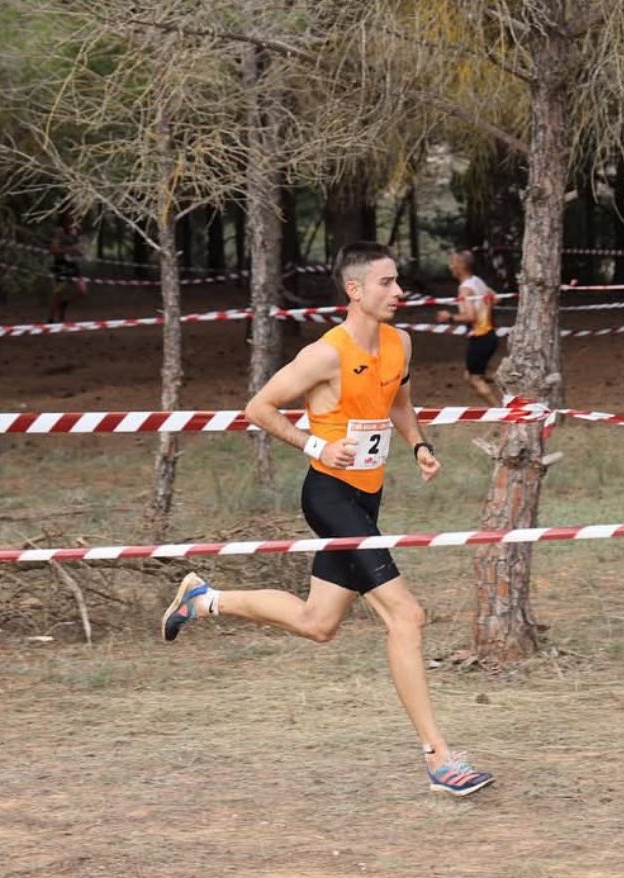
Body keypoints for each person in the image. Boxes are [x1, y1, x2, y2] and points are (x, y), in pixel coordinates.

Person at [161, 241, 495, 798]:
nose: (398, 292)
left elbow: (399, 404)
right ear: (355, 290)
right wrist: (315, 444)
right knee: (407, 617)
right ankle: (439, 757)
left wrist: (418, 447)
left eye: (398, 281)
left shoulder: (401, 343)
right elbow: (259, 409)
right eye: (386, 283)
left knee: (319, 623)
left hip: (368, 497)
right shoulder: (325, 354)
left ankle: (203, 599)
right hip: (329, 497)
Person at [436, 249, 502, 406]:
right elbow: (497, 298)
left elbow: (470, 316)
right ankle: (506, 379)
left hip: (480, 336)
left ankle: (502, 413)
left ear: (461, 266)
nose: (450, 266)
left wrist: (449, 317)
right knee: (472, 375)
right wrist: (484, 309)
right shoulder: (477, 281)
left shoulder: (465, 288)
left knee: (474, 378)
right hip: (489, 334)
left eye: (452, 263)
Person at [48, 212, 87, 323]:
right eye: (70, 219)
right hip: (61, 265)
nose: (73, 221)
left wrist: (80, 253)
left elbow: (78, 249)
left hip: (73, 265)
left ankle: (65, 304)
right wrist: (67, 250)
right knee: (58, 293)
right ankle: (50, 319)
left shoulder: (75, 231)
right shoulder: (59, 232)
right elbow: (52, 250)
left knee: (82, 291)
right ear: (65, 219)